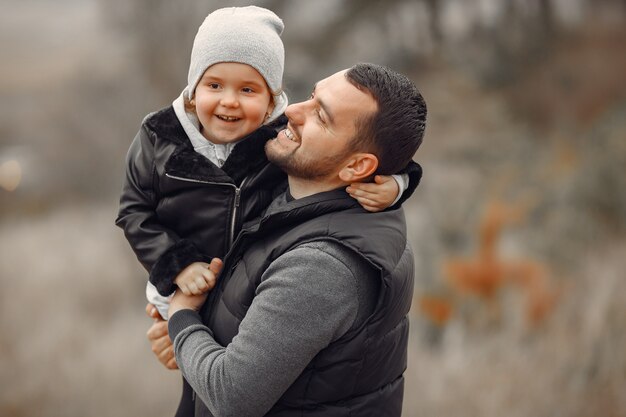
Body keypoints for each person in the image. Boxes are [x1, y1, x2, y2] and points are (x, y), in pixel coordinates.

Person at [116, 6, 420, 417]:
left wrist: (183, 319)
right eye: (312, 96)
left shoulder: (322, 266)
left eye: (320, 115)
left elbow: (231, 396)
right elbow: (137, 211)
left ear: (358, 168)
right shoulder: (301, 195)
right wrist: (185, 333)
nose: (291, 112)